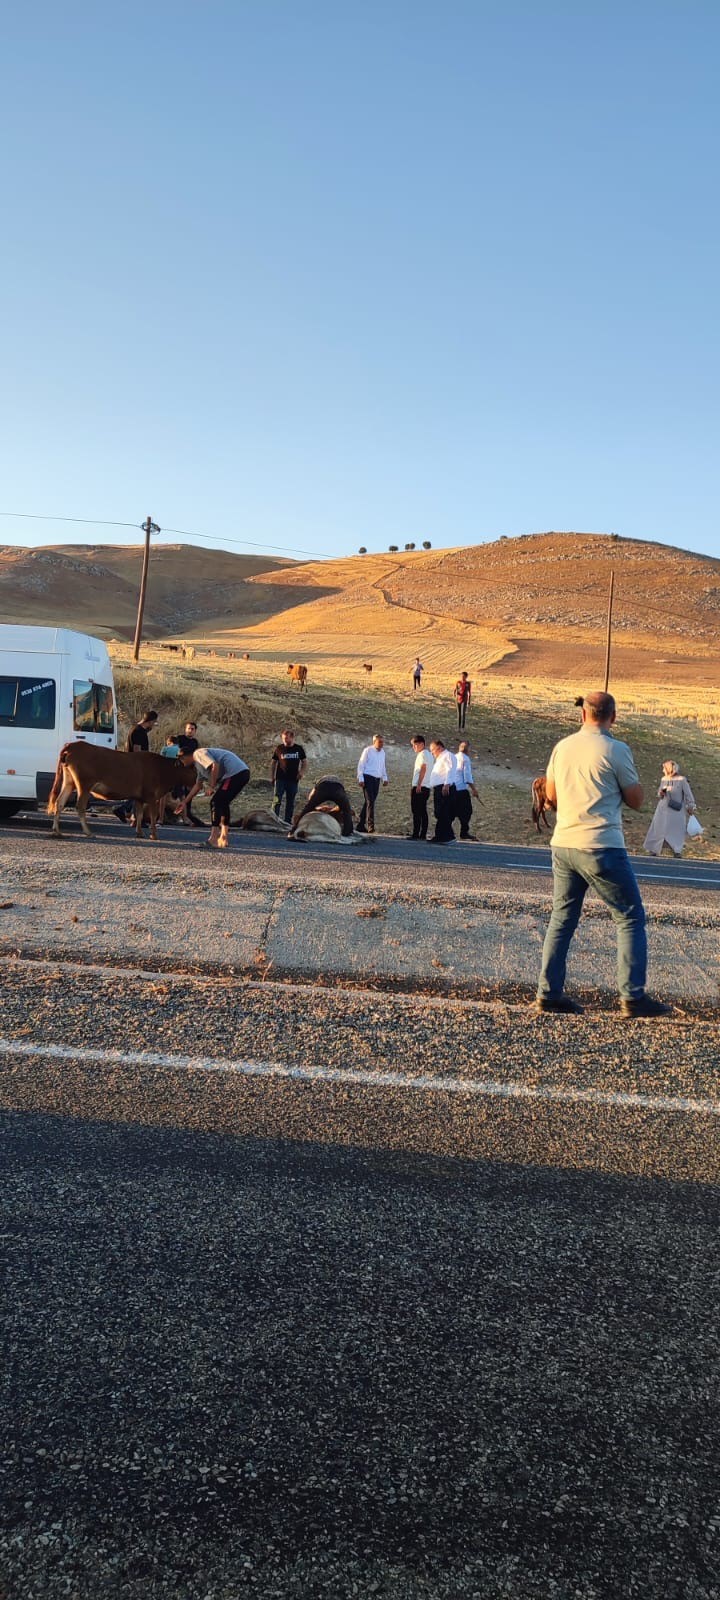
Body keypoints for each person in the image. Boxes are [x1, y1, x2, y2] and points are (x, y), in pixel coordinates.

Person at [535, 690, 669, 1018]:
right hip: (601, 844)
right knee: (630, 916)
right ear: (614, 716)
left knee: (562, 919)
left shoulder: (562, 747)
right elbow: (636, 800)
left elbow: (550, 795)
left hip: (564, 843)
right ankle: (632, 996)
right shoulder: (617, 750)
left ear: (583, 714)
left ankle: (548, 993)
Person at [178, 745, 250, 849]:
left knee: (215, 802)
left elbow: (215, 765)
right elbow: (198, 785)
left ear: (184, 757)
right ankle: (223, 838)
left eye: (182, 761)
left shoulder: (198, 754)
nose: (183, 764)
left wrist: (211, 786)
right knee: (222, 802)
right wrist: (184, 802)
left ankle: (213, 839)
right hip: (241, 773)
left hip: (235, 773)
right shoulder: (199, 766)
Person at [643, 761, 697, 858]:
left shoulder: (682, 780)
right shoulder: (664, 779)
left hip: (676, 811)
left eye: (665, 768)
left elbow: (688, 794)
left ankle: (677, 851)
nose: (663, 770)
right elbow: (659, 793)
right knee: (658, 829)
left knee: (676, 830)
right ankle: (654, 849)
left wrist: (690, 806)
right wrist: (661, 793)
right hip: (663, 809)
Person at [114, 710, 159, 822]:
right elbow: (137, 750)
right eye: (153, 723)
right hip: (136, 766)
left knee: (136, 792)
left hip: (131, 764)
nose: (153, 726)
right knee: (139, 792)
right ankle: (132, 815)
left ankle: (126, 810)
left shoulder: (134, 729)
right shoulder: (139, 732)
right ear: (150, 721)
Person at [289, 775, 355, 838]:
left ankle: (294, 829)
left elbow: (311, 795)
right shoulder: (340, 782)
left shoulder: (320, 781)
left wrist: (311, 805)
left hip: (323, 788)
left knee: (307, 809)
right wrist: (344, 807)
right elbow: (344, 796)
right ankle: (348, 833)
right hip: (337, 790)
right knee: (347, 811)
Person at [271, 728, 307, 823]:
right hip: (280, 779)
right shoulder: (279, 748)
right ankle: (274, 819)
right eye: (283, 738)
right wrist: (272, 776)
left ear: (292, 738)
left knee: (290, 802)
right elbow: (273, 762)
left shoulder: (298, 749)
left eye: (287, 738)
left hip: (293, 779)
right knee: (277, 800)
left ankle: (287, 821)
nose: (285, 740)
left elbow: (304, 762)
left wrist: (301, 773)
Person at [356, 735, 389, 834]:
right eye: (380, 742)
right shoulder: (367, 750)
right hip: (368, 777)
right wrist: (360, 778)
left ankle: (360, 824)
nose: (381, 744)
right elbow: (361, 765)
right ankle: (371, 826)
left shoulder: (383, 753)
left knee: (369, 801)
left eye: (382, 742)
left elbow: (383, 766)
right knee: (370, 801)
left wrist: (385, 778)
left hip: (377, 779)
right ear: (374, 742)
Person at [427, 739, 457, 843]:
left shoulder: (447, 755)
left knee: (443, 812)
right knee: (439, 812)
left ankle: (448, 836)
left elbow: (450, 770)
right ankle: (441, 835)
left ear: (439, 747)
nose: (432, 753)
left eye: (433, 750)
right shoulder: (440, 758)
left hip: (444, 787)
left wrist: (446, 784)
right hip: (439, 787)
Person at [454, 740, 480, 840]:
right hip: (461, 789)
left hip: (453, 787)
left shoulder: (454, 757)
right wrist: (474, 789)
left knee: (452, 811)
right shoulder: (465, 759)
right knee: (467, 811)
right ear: (468, 749)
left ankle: (449, 831)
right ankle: (464, 832)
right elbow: (467, 776)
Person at [409, 735, 432, 839]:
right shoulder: (429, 755)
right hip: (425, 786)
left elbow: (423, 768)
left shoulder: (423, 754)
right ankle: (422, 834)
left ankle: (416, 833)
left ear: (422, 744)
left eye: (415, 745)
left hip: (420, 786)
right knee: (422, 810)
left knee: (417, 811)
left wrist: (419, 784)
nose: (414, 747)